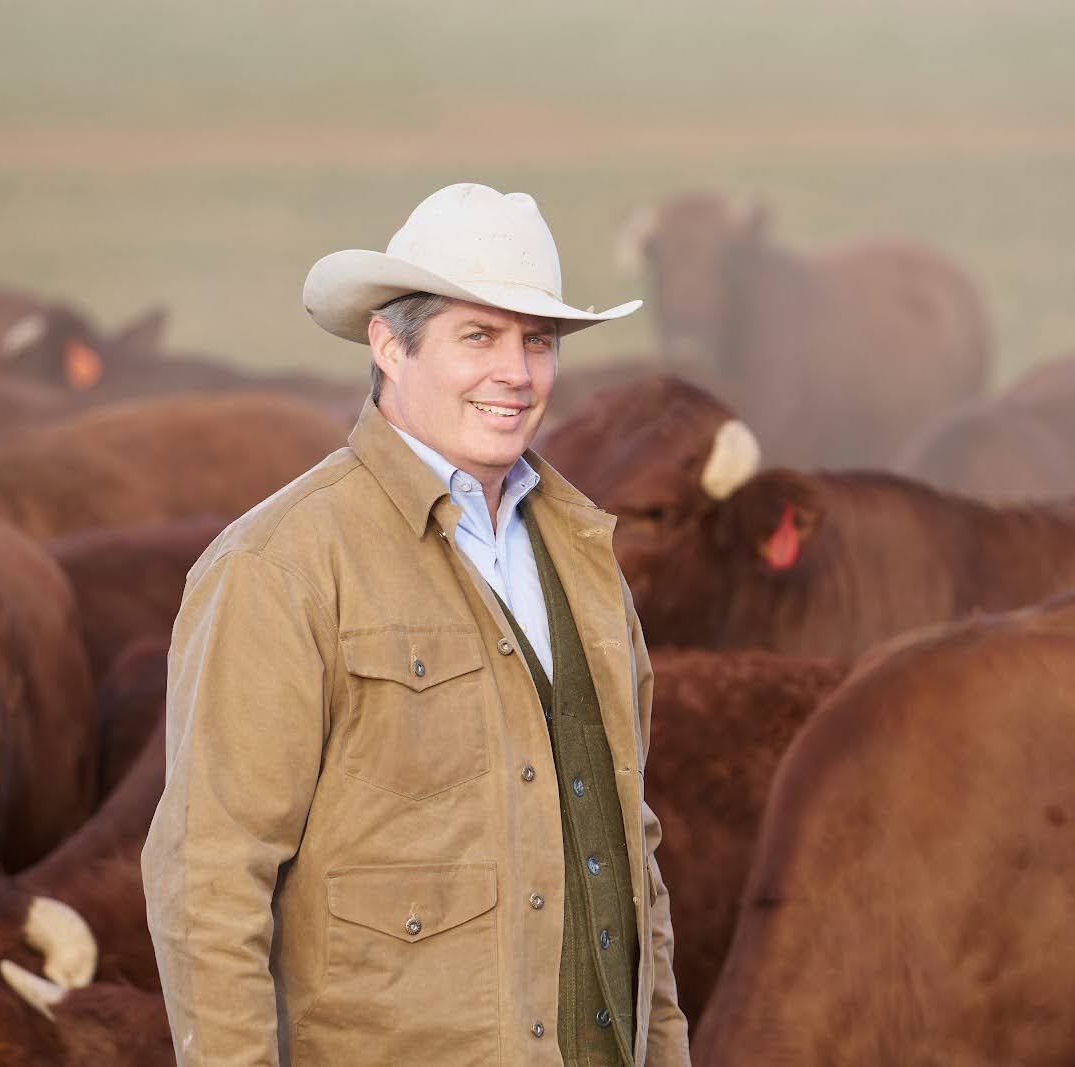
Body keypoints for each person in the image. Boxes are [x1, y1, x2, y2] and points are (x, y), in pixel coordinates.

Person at [142, 183, 691, 1065]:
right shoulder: (281, 564)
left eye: (537, 342)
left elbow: (630, 858)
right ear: (389, 345)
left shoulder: (586, 561)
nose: (515, 373)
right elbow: (208, 880)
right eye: (478, 336)